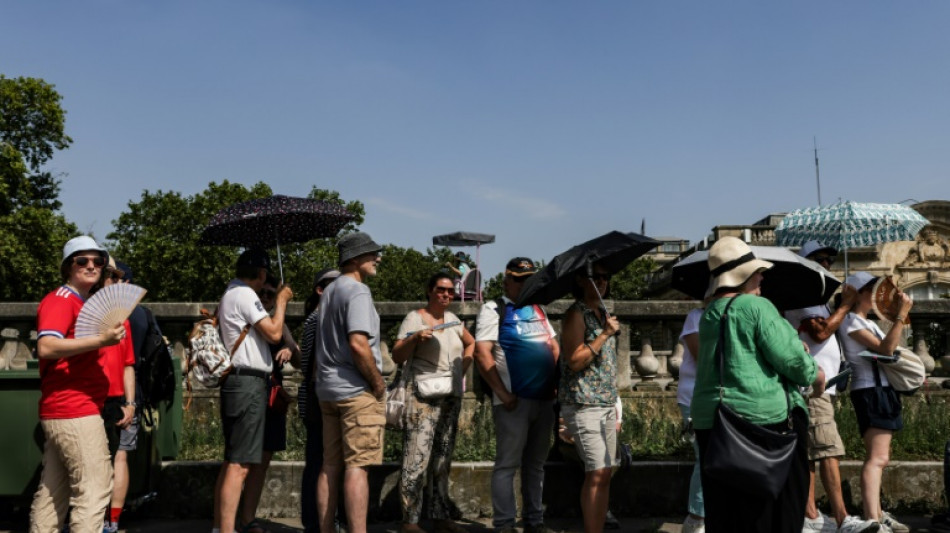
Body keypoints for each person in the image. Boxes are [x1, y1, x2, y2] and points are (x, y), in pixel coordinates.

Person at [691, 236, 825, 533]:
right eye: (757, 271)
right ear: (744, 276)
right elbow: (794, 364)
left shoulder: (709, 314)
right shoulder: (757, 307)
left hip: (712, 419)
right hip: (762, 421)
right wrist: (817, 374)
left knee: (727, 512)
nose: (762, 276)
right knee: (778, 509)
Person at [31, 236, 125, 533]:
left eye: (98, 261)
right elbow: (46, 346)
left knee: (52, 495)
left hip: (68, 409)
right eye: (81, 260)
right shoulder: (61, 300)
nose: (91, 266)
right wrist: (102, 340)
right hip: (74, 410)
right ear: (67, 267)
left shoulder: (79, 302)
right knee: (94, 489)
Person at [784, 242, 879, 533]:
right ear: (807, 263)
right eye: (820, 259)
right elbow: (821, 330)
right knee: (827, 450)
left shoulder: (816, 298)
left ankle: (810, 515)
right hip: (814, 385)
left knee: (812, 451)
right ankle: (842, 519)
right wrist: (846, 306)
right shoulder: (802, 297)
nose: (826, 264)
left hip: (820, 385)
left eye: (830, 259)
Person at [474, 257, 559, 533]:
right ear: (506, 280)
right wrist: (502, 392)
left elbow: (553, 346)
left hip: (544, 399)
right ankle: (504, 525)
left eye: (529, 279)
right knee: (507, 465)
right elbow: (481, 352)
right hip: (513, 401)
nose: (525, 284)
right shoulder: (494, 309)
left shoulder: (538, 309)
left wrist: (557, 382)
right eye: (520, 279)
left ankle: (534, 521)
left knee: (536, 466)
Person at [212, 249, 293, 533]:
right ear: (260, 274)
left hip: (242, 382)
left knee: (234, 459)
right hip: (246, 382)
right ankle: (226, 529)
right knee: (240, 463)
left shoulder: (230, 293)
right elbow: (273, 332)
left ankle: (224, 525)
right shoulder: (245, 294)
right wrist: (281, 302)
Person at [314, 232, 387, 533]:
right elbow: (358, 344)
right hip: (356, 390)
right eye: (372, 254)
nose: (377, 259)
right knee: (358, 467)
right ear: (354, 259)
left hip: (327, 390)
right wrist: (377, 383)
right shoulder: (357, 291)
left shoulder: (330, 291)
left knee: (330, 466)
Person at [392, 272, 475, 533]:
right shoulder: (414, 318)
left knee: (442, 460)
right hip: (422, 398)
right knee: (416, 458)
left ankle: (440, 517)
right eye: (441, 290)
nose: (446, 295)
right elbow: (396, 355)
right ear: (429, 291)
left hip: (450, 397)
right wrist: (415, 338)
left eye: (450, 291)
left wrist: (462, 367)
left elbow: (472, 344)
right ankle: (410, 521)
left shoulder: (452, 320)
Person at [839, 271, 914, 533]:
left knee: (882, 456)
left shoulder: (864, 321)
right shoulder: (851, 322)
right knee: (877, 458)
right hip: (871, 390)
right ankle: (873, 517)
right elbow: (886, 351)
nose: (876, 295)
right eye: (871, 290)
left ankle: (878, 513)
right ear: (858, 294)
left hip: (879, 389)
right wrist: (901, 316)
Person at [557, 262, 620, 533]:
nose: (603, 282)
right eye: (597, 277)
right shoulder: (576, 314)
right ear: (582, 280)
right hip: (584, 403)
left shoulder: (602, 313)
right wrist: (604, 335)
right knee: (597, 472)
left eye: (606, 277)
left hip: (605, 403)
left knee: (604, 473)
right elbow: (573, 360)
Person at [239, 273, 302, 533]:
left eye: (270, 294)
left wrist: (290, 349)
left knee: (262, 462)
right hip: (250, 394)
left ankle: (247, 518)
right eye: (262, 293)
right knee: (242, 462)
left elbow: (299, 360)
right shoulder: (247, 316)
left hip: (272, 398)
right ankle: (234, 519)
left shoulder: (276, 321)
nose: (265, 298)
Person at [96, 258, 137, 533]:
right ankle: (102, 521)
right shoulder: (84, 311)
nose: (114, 281)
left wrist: (129, 403)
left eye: (116, 277)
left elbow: (127, 364)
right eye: (111, 276)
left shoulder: (123, 319)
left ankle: (106, 522)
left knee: (107, 460)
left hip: (114, 400)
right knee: (106, 460)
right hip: (92, 399)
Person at [299, 268, 341, 533]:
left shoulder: (320, 318)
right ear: (320, 289)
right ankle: (314, 522)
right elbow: (310, 364)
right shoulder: (317, 318)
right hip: (317, 398)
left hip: (318, 395)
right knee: (318, 462)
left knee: (322, 461)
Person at [676, 304, 705, 533]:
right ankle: (695, 519)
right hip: (694, 397)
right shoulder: (696, 316)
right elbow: (702, 356)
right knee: (704, 457)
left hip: (722, 395)